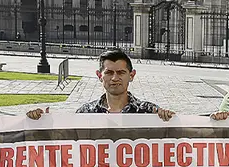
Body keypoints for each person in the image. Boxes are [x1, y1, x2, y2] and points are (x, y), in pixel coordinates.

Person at [27, 49, 175, 120]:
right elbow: (67, 148)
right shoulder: (85, 113)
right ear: (99, 76)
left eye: (121, 73)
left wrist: (169, 120)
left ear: (131, 75)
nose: (115, 78)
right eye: (109, 73)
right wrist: (42, 125)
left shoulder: (149, 112)